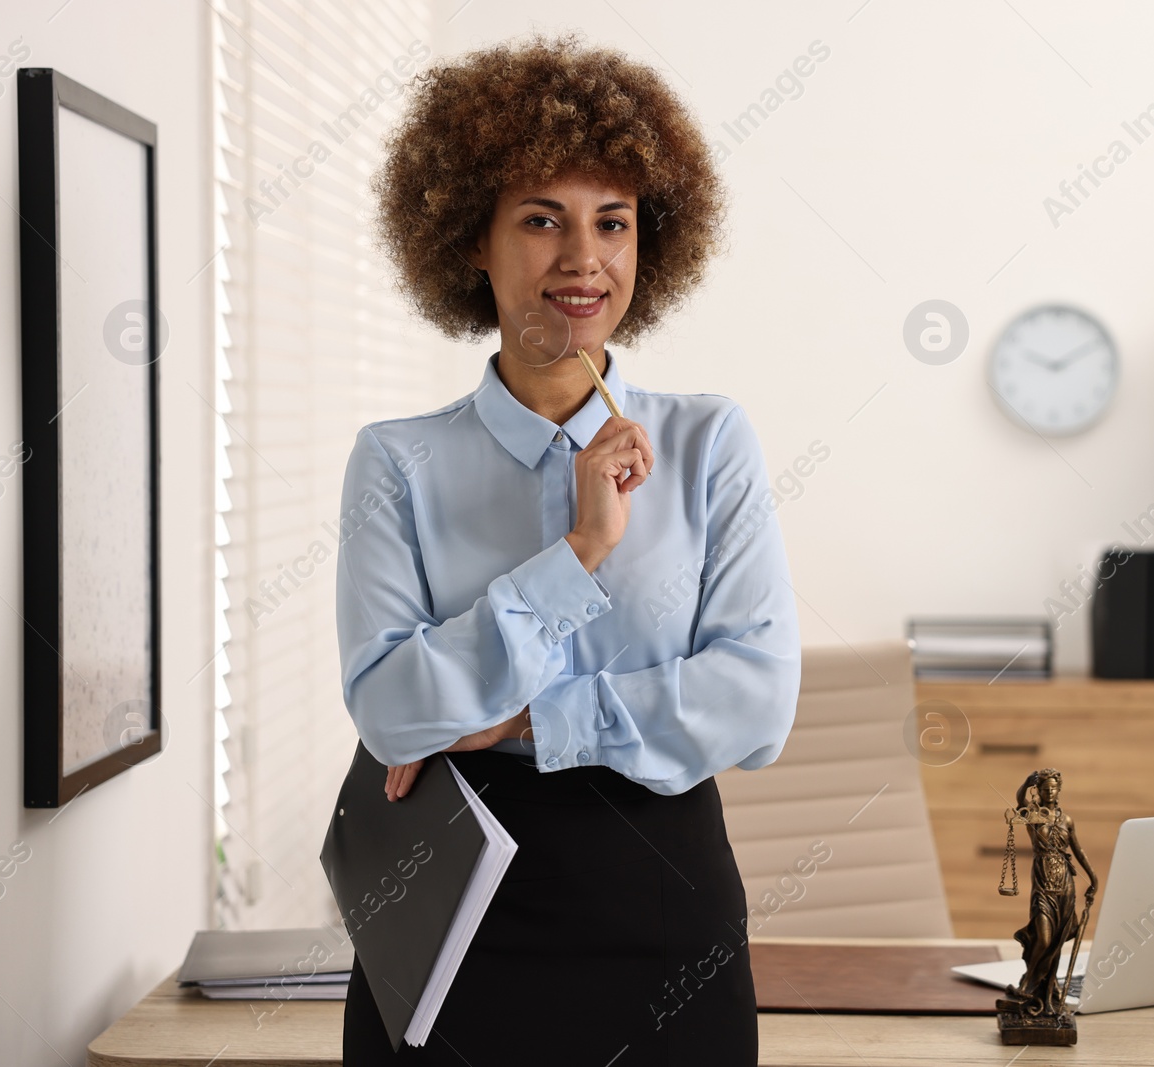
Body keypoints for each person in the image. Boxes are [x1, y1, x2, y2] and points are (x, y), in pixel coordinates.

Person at [332, 32, 802, 1066]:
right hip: (445, 911)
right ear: (471, 241)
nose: (582, 258)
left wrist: (517, 716)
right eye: (541, 220)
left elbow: (758, 701)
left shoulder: (708, 440)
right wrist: (579, 548)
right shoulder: (397, 463)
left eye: (613, 223)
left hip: (663, 910)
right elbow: (392, 710)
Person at [999, 769, 1097, 1018]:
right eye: (1044, 788)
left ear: (1059, 789)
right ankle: (1028, 986)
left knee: (1056, 942)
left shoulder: (1067, 820)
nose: (1050, 792)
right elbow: (1019, 802)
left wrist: (1093, 877)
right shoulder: (1033, 815)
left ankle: (1045, 994)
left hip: (1065, 884)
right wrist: (1024, 782)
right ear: (1038, 791)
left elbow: (1078, 850)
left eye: (1053, 788)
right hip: (1042, 884)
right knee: (1043, 939)